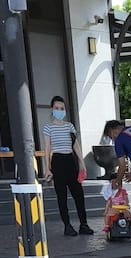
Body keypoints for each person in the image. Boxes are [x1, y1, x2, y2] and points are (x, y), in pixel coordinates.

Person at [42, 95, 93, 236]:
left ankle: (84, 224)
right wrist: (47, 168)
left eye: (62, 108)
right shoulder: (48, 127)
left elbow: (76, 145)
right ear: (52, 109)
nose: (59, 111)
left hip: (71, 160)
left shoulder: (70, 126)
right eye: (57, 108)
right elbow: (47, 148)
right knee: (62, 196)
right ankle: (67, 226)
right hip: (57, 161)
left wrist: (82, 163)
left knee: (79, 194)